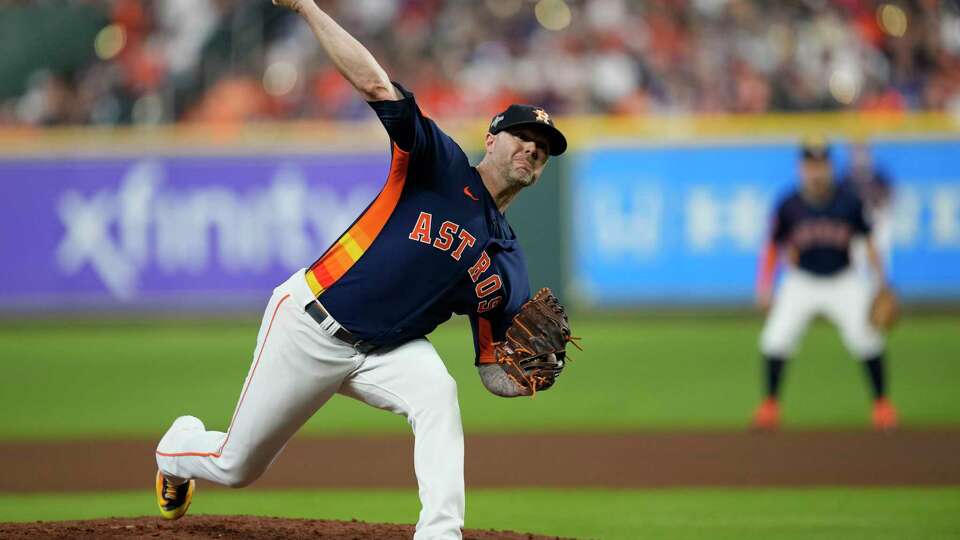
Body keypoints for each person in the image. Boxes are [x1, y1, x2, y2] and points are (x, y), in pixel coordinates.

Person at [153, 1, 568, 538]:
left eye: (542, 151)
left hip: (389, 351)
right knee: (237, 466)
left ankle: (440, 533)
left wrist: (526, 381)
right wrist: (305, 7)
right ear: (492, 139)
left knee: (438, 394)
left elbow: (489, 366)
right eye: (522, 138)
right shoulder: (436, 163)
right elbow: (376, 86)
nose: (532, 152)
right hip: (312, 323)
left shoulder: (509, 264)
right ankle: (175, 447)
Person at [752, 138, 897, 431]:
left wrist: (881, 282)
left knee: (867, 339)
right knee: (774, 339)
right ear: (801, 168)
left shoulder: (849, 201)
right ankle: (770, 406)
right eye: (810, 165)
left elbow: (869, 242)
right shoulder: (789, 204)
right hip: (801, 281)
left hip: (843, 279)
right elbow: (772, 246)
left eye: (821, 165)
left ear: (830, 167)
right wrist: (765, 284)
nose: (816, 171)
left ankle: (882, 405)